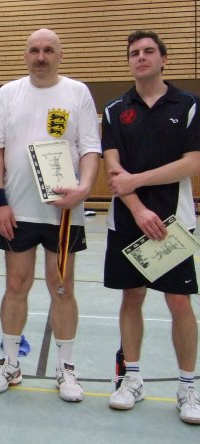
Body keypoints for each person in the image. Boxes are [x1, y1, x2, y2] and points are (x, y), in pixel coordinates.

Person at [0, 29, 101, 401]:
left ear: (60, 55)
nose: (41, 56)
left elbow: (90, 149)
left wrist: (84, 190)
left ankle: (66, 369)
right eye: (34, 50)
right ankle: (11, 362)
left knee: (62, 287)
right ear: (25, 55)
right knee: (16, 285)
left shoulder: (77, 92)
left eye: (48, 50)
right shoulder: (8, 93)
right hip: (17, 210)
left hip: (64, 211)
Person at [102, 30, 200, 423]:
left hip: (174, 222)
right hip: (127, 218)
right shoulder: (114, 110)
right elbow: (113, 168)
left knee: (179, 303)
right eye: (134, 53)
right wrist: (139, 209)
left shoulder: (189, 105)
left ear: (163, 59)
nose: (140, 58)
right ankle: (133, 379)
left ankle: (188, 387)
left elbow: (193, 163)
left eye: (148, 52)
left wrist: (138, 182)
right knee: (131, 299)